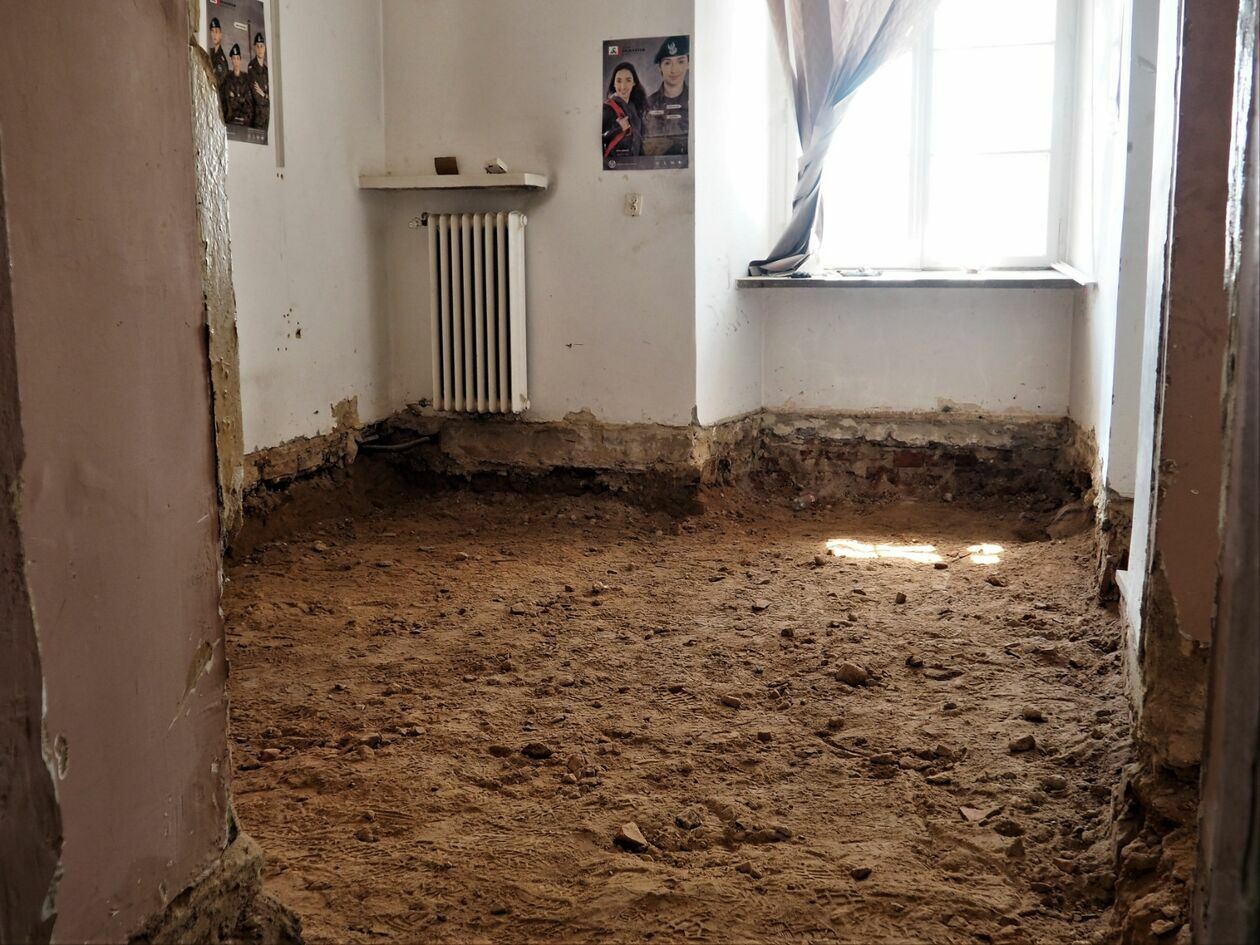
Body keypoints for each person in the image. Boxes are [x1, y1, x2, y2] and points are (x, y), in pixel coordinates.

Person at [643, 36, 689, 157]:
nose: (674, 70)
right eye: (667, 63)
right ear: (660, 68)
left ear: (688, 64)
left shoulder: (696, 102)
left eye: (680, 61)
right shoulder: (647, 104)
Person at [601, 62, 646, 168]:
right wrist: (619, 129)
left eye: (628, 80)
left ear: (634, 83)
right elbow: (597, 140)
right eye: (619, 81)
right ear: (614, 83)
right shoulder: (607, 109)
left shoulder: (635, 107)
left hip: (635, 165)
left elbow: (639, 141)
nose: (623, 86)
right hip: (615, 167)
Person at [220, 44, 254, 127]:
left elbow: (249, 101)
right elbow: (228, 101)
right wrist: (241, 99)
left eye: (237, 58)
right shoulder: (227, 78)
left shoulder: (246, 78)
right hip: (230, 120)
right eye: (234, 58)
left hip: (244, 120)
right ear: (231, 60)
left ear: (240, 60)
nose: (236, 61)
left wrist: (235, 97)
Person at [248, 32, 270, 131]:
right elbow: (257, 98)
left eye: (262, 46)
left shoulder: (266, 70)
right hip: (257, 117)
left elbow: (271, 97)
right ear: (255, 48)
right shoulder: (252, 67)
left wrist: (264, 94)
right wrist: (266, 97)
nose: (260, 49)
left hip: (267, 117)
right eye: (258, 46)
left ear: (265, 48)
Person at [207, 17, 228, 87]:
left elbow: (219, 82)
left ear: (220, 35)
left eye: (216, 31)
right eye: (212, 31)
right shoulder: (210, 52)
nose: (214, 35)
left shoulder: (221, 59)